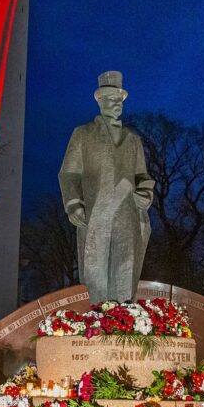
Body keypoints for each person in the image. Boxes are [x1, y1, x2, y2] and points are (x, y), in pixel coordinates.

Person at [59, 71, 154, 302]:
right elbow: (69, 173)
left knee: (126, 266)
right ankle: (95, 320)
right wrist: (73, 204)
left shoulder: (133, 140)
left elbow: (143, 175)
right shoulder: (83, 134)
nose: (116, 104)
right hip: (95, 211)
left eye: (119, 100)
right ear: (100, 101)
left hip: (127, 213)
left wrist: (145, 192)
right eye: (111, 99)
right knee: (94, 269)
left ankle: (123, 321)